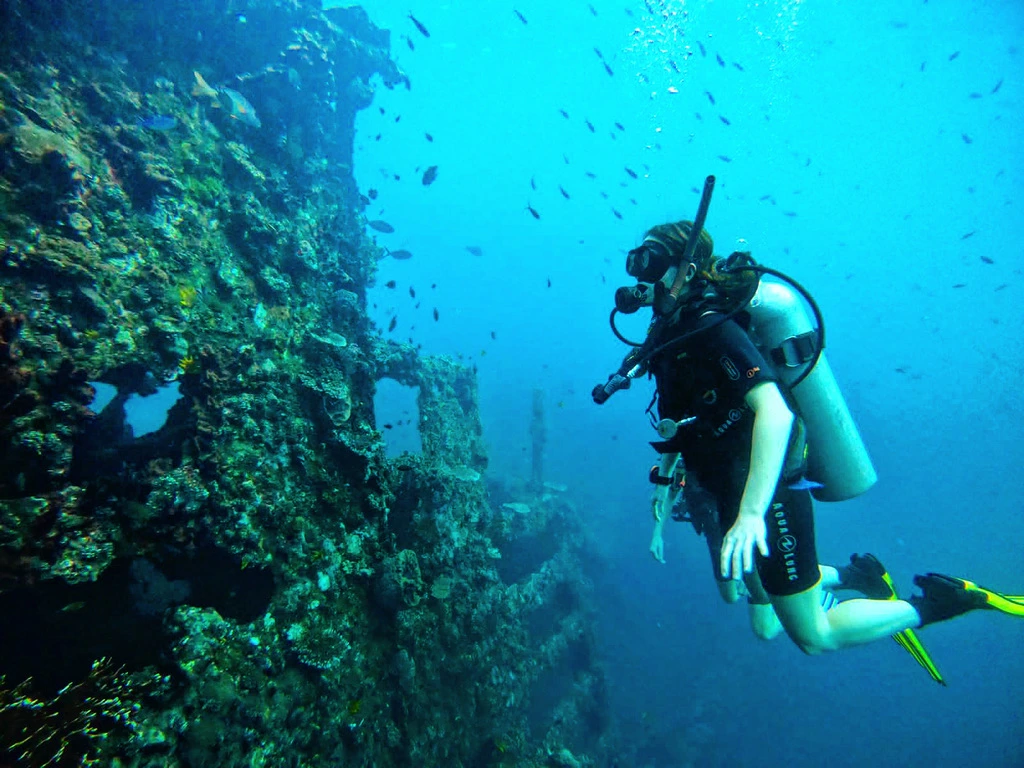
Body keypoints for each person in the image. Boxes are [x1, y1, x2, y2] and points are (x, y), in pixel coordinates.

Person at [593, 197, 1022, 656]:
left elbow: (776, 412)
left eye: (651, 260)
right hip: (728, 486)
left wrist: (754, 512)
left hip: (766, 488)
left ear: (686, 268)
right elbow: (680, 422)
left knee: (815, 635)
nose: (638, 273)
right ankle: (858, 577)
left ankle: (945, 601)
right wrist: (663, 491)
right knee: (757, 594)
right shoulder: (671, 333)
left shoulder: (711, 327)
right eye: (635, 260)